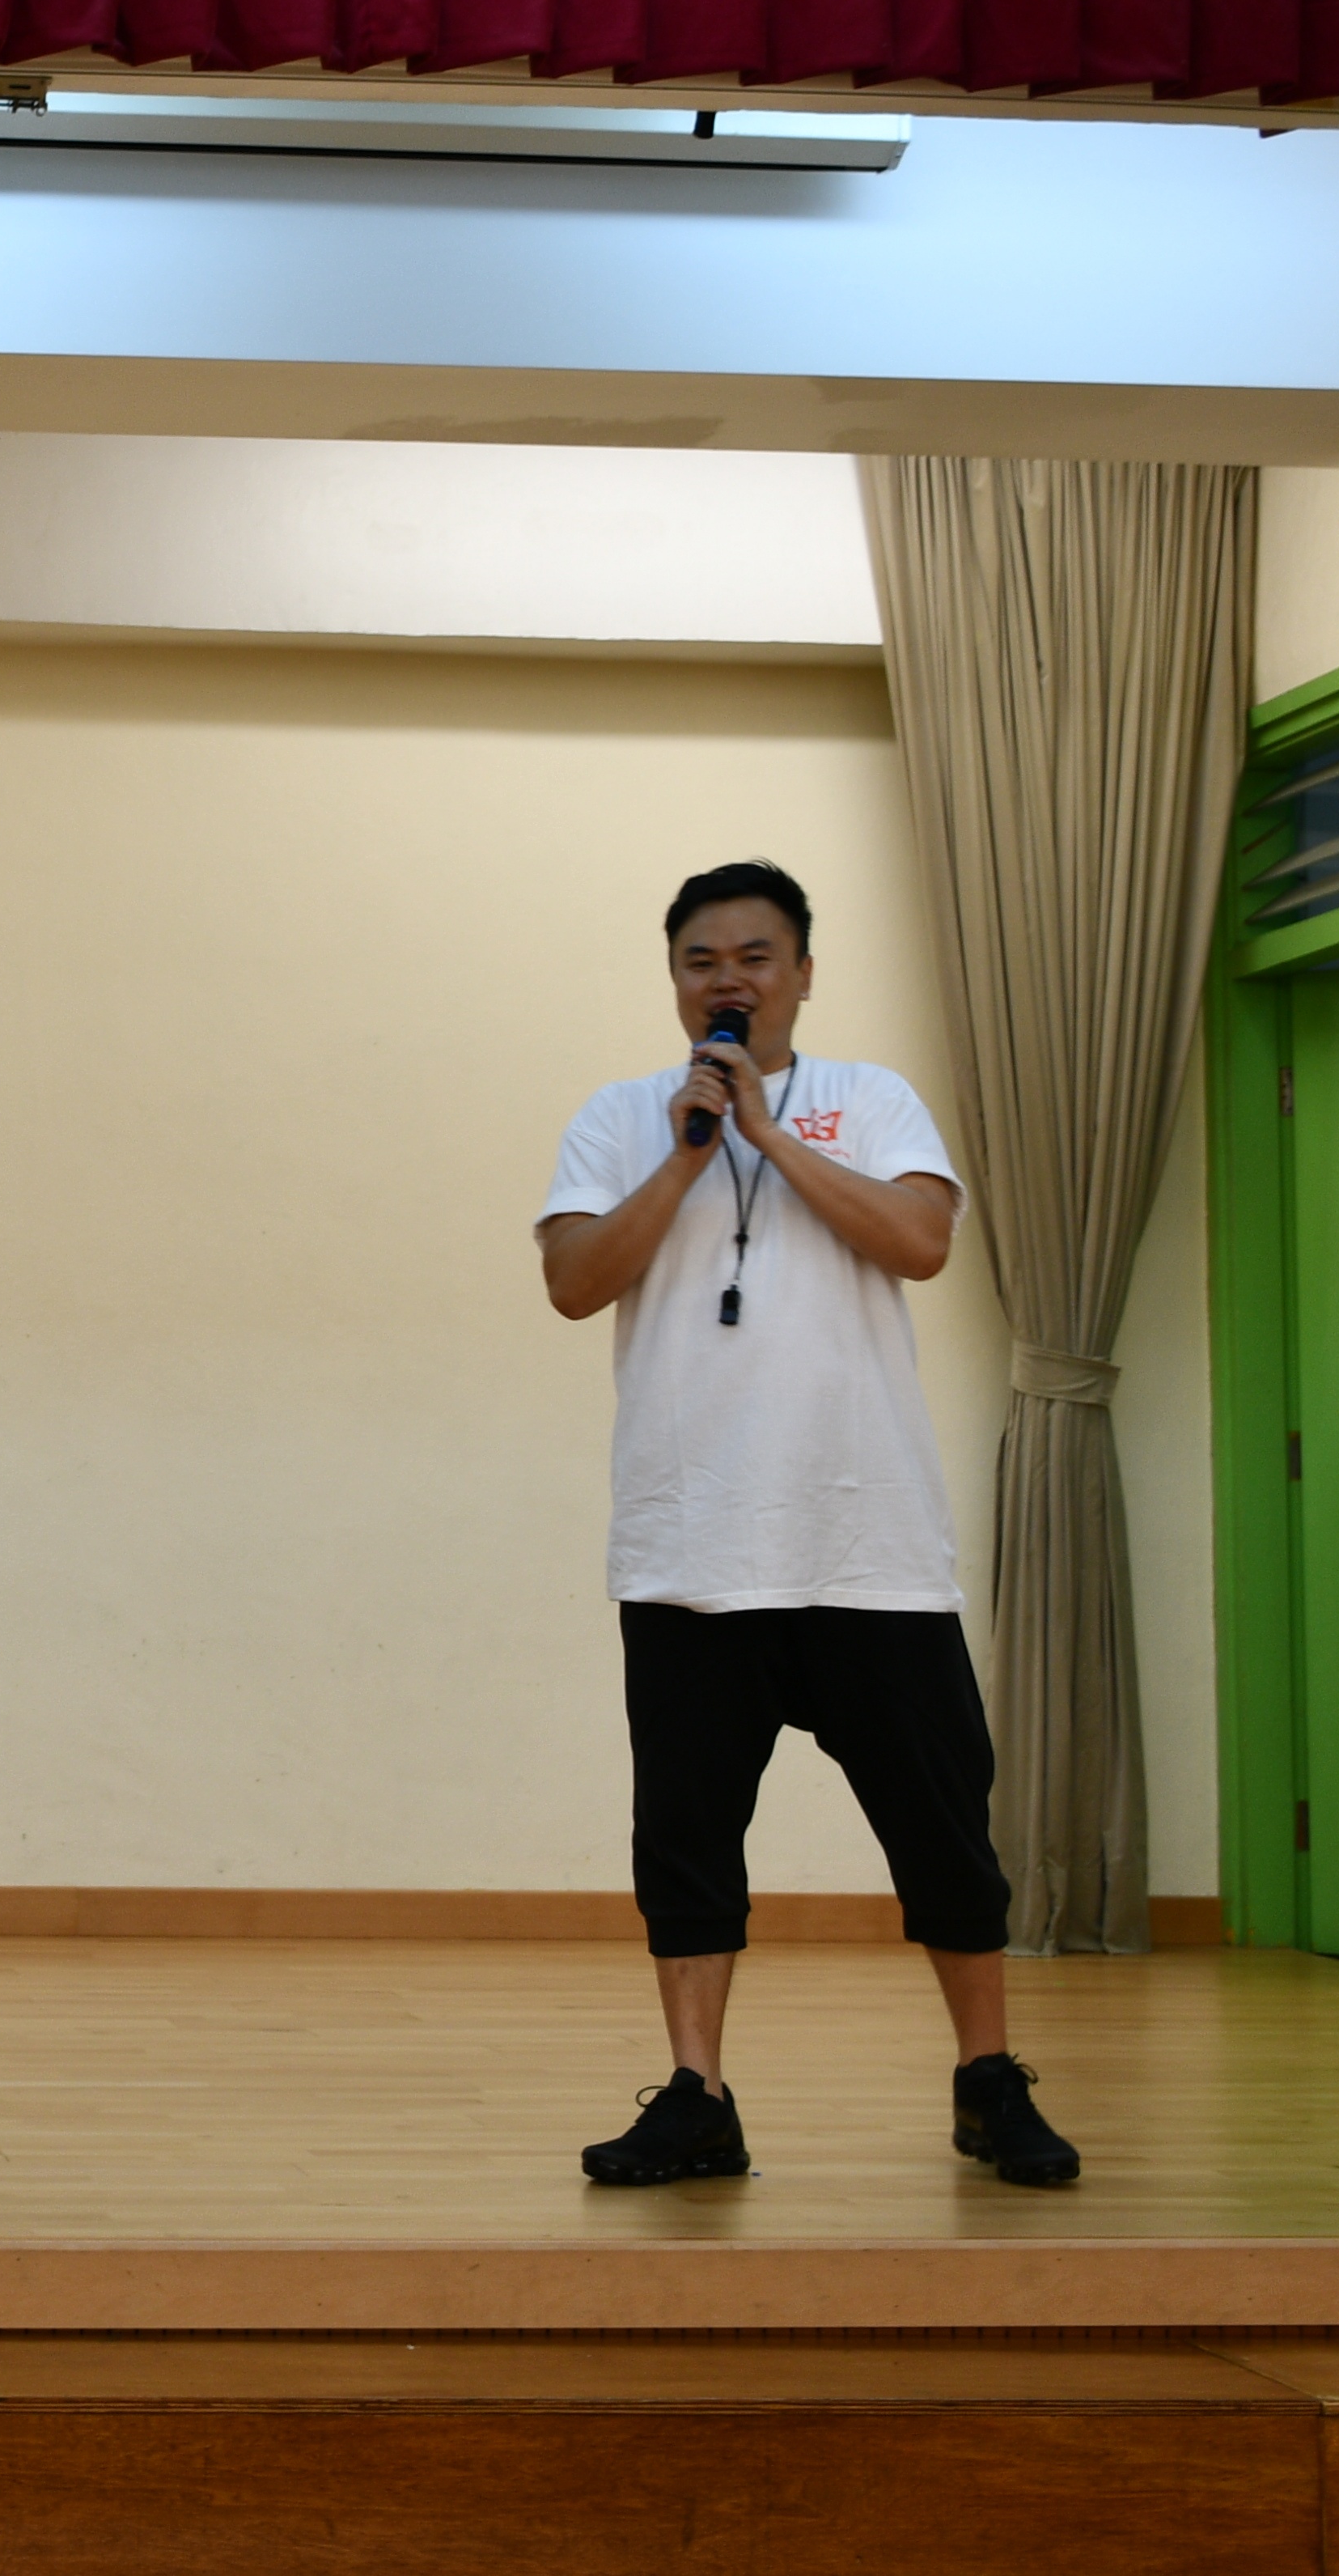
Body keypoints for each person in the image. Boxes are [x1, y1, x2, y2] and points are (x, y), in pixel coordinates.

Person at [532, 859, 1080, 2191]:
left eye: (753, 956)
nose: (725, 980)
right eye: (700, 960)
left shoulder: (871, 1099)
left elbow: (920, 1243)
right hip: (691, 1552)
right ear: (675, 980)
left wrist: (771, 1138)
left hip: (866, 1549)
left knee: (942, 1827)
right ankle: (697, 2096)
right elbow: (573, 1281)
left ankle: (987, 2078)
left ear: (802, 973)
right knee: (685, 1842)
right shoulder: (621, 1118)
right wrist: (690, 1152)